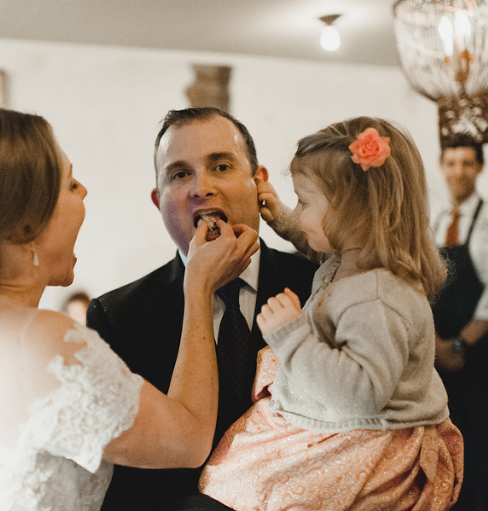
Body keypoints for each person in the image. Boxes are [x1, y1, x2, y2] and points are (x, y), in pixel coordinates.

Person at [0, 103, 259, 510]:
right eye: (70, 184)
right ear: (26, 222)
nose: (85, 192)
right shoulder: (39, 341)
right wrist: (199, 288)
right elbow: (188, 441)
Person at [199, 117, 464, 510]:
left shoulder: (378, 300)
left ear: (354, 213)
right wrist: (284, 219)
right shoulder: (354, 259)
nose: (299, 210)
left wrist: (291, 335)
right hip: (342, 420)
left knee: (250, 488)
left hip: (364, 436)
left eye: (305, 202)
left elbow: (361, 394)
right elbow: (322, 248)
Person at [86, 107, 319, 511]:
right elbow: (125, 484)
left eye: (221, 166)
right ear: (159, 201)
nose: (201, 188)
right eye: (179, 174)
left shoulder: (318, 285)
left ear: (258, 181)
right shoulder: (117, 317)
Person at [431, 136, 488, 510]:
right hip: (441, 358)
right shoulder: (434, 222)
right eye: (452, 163)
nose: (459, 172)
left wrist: (458, 347)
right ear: (442, 167)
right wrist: (436, 347)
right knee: (451, 461)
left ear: (480, 168)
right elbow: (420, 285)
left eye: (467, 163)